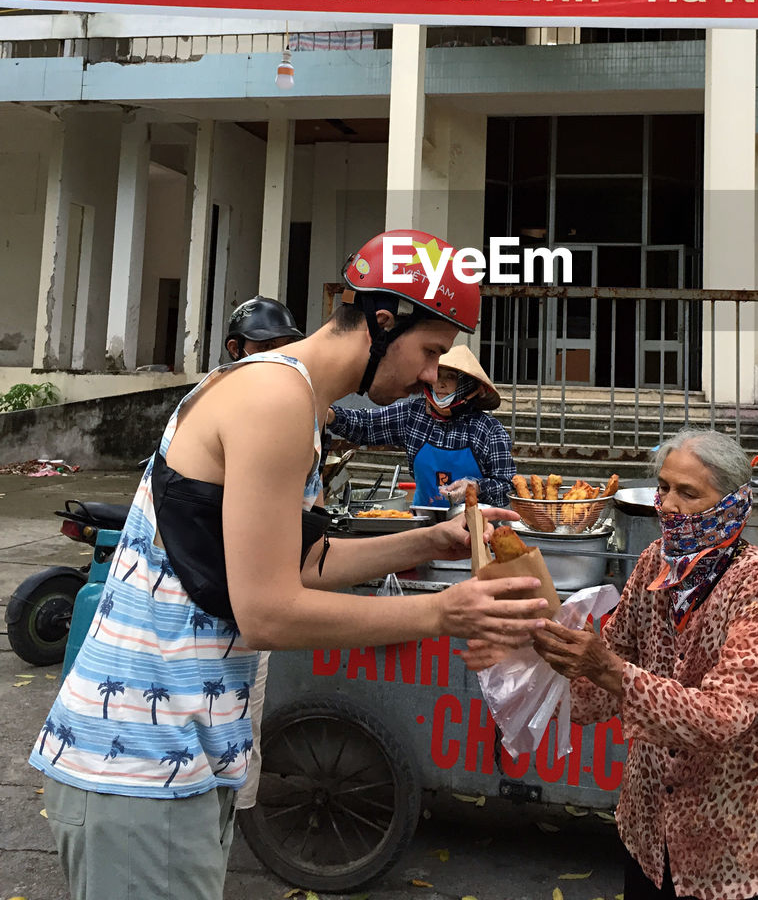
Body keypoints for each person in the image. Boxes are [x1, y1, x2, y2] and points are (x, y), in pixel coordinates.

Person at [32, 229, 547, 900]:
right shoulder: (275, 400)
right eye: (430, 352)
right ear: (382, 321)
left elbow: (303, 563)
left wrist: (431, 541)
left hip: (180, 757)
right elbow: (267, 610)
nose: (431, 376)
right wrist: (442, 612)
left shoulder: (296, 402)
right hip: (139, 758)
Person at [531, 428, 758, 900]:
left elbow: (723, 717)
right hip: (650, 838)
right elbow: (603, 682)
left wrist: (609, 671)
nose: (668, 504)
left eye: (688, 493)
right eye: (664, 488)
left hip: (738, 849)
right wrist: (544, 659)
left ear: (732, 502)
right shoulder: (656, 561)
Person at [221, 294, 308, 817]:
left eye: (285, 348)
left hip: (245, 624)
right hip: (209, 614)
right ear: (236, 349)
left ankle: (236, 813)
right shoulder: (218, 405)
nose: (277, 358)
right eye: (265, 348)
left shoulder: (289, 411)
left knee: (244, 721)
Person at [327, 343, 516, 507]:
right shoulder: (413, 415)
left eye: (450, 377)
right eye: (436, 375)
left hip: (473, 530)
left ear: (467, 386)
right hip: (424, 524)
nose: (440, 384)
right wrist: (331, 415)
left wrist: (476, 487)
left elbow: (507, 486)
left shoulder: (489, 430)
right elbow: (365, 425)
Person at [223, 294, 303, 362]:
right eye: (267, 346)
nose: (281, 356)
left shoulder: (297, 380)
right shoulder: (219, 380)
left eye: (288, 346)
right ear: (235, 349)